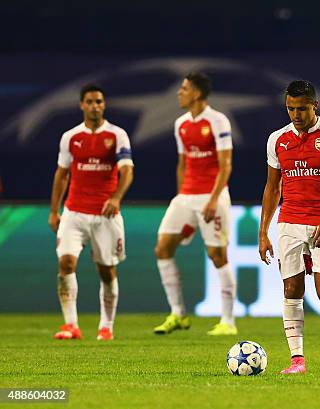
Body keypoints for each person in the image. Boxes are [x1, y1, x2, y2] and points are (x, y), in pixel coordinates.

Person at [259, 80, 320, 374]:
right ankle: (297, 360)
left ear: (315, 105)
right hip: (289, 221)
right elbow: (273, 188)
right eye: (290, 108)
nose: (295, 114)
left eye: (301, 108)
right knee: (291, 289)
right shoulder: (277, 139)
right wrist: (263, 231)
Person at [153, 72, 237, 336]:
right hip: (186, 196)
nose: (179, 93)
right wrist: (181, 201)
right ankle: (178, 313)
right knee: (162, 248)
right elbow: (182, 163)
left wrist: (213, 200)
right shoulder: (180, 124)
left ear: (197, 94)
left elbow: (226, 164)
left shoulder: (218, 121)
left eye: (184, 88)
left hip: (213, 196)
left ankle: (228, 321)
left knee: (217, 256)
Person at [49, 83, 134, 341]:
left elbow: (127, 170)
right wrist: (55, 210)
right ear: (81, 105)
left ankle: (106, 326)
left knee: (106, 271)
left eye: (99, 101)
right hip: (74, 211)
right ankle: (71, 325)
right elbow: (62, 175)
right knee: (66, 263)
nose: (95, 106)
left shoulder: (117, 135)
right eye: (90, 101)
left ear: (103, 105)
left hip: (105, 214)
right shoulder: (71, 137)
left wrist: (116, 197)